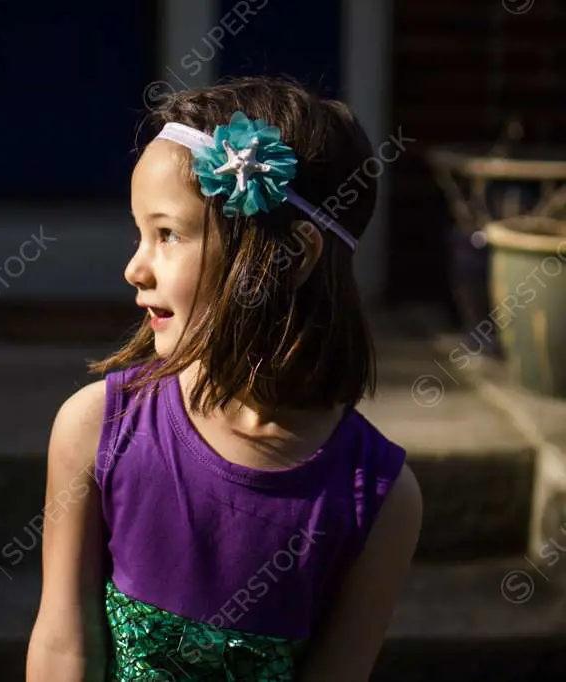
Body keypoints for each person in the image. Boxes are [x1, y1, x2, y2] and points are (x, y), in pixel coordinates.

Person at [25, 76, 423, 682]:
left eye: (167, 235)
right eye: (141, 233)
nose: (135, 267)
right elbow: (62, 644)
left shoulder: (381, 498)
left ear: (290, 256)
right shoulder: (94, 429)